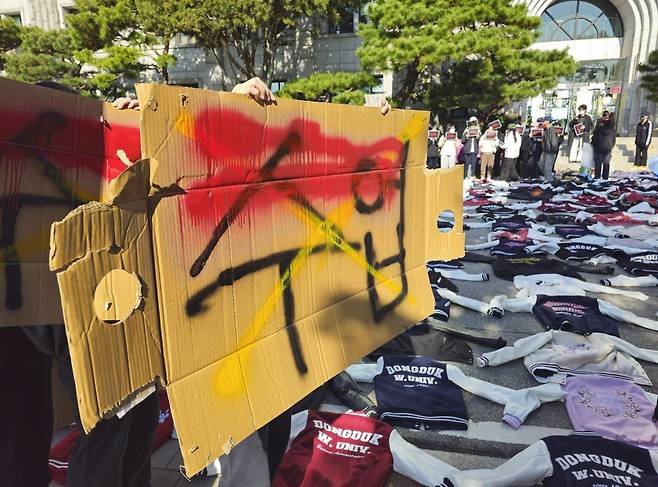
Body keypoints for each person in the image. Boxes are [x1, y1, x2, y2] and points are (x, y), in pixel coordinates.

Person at [591, 110, 616, 180]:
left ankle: (597, 177)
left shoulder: (598, 130)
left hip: (598, 148)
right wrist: (610, 146)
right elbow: (613, 140)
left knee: (598, 164)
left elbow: (594, 139)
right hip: (607, 149)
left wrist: (593, 146)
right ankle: (605, 177)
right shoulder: (612, 130)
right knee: (606, 164)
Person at [538, 116, 560, 182]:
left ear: (548, 121)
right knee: (541, 165)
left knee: (547, 167)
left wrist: (553, 150)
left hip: (550, 151)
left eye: (544, 121)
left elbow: (554, 141)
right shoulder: (546, 129)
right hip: (545, 150)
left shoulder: (552, 130)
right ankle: (548, 177)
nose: (543, 122)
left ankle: (549, 180)